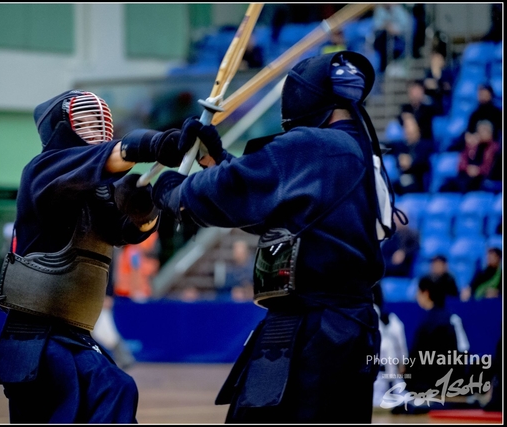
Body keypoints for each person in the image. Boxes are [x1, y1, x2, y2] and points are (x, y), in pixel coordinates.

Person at [152, 50, 402, 423]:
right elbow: (277, 207)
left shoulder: (314, 145)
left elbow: (233, 190)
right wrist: (217, 159)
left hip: (312, 331)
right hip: (349, 331)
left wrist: (174, 191)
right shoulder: (359, 153)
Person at [0, 89, 202, 423]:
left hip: (73, 335)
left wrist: (145, 211)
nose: (99, 128)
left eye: (102, 122)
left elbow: (126, 231)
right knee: (111, 389)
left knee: (114, 390)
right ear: (60, 128)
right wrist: (155, 144)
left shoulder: (96, 190)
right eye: (87, 121)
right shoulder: (44, 170)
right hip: (37, 337)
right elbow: (106, 157)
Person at [394, 268, 470, 413]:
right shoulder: (453, 319)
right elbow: (463, 354)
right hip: (451, 387)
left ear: (426, 293)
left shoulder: (427, 325)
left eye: (418, 292)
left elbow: (416, 361)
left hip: (426, 389)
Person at [371, 282, 409, 408]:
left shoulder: (387, 319)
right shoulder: (393, 319)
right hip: (388, 380)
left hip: (381, 380)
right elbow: (403, 358)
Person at [439, 120, 500, 193]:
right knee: (447, 186)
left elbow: (489, 167)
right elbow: (461, 164)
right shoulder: (472, 146)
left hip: (485, 179)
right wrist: (468, 168)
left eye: (485, 131)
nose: (482, 134)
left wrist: (478, 170)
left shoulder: (494, 148)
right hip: (469, 176)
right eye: (480, 131)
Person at [390, 113, 436, 195]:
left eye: (410, 125)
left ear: (417, 126)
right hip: (402, 182)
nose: (407, 129)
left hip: (419, 182)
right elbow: (398, 162)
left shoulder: (425, 145)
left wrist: (411, 162)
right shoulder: (401, 147)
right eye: (405, 126)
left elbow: (424, 163)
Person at [372, 4, 413, 74]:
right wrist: (386, 27)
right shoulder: (380, 10)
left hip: (398, 41)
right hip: (382, 42)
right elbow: (376, 25)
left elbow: (405, 26)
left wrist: (395, 29)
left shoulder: (399, 10)